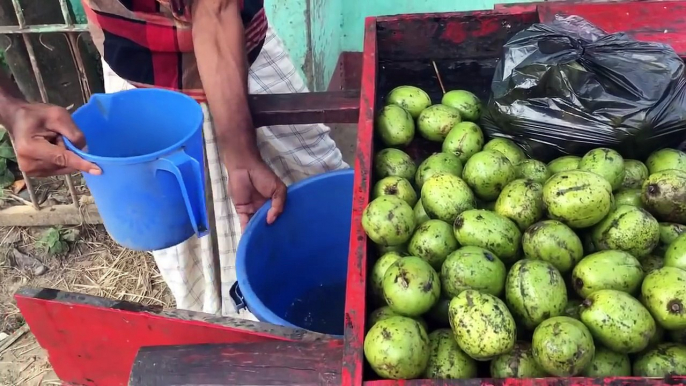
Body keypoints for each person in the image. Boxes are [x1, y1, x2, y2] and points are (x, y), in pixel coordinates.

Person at [0, 0, 347, 318]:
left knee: (324, 202)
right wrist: (12, 109)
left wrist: (240, 154)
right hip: (138, 83)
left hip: (241, 60)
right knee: (193, 263)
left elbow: (216, 8)